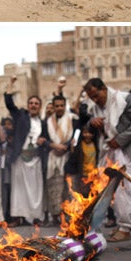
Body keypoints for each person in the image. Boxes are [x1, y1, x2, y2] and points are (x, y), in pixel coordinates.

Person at [83, 78, 131, 242]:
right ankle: (121, 224)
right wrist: (92, 122)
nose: (95, 100)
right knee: (110, 190)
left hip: (129, 151)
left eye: (96, 95)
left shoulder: (124, 99)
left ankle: (125, 228)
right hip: (110, 152)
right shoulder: (96, 108)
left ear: (104, 89)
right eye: (91, 97)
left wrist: (120, 140)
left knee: (124, 189)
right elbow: (89, 124)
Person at [4, 78, 48, 227]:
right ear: (28, 106)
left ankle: (35, 217)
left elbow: (47, 139)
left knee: (36, 190)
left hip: (36, 159)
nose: (33, 105)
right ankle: (17, 217)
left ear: (40, 106)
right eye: (31, 103)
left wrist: (43, 141)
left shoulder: (43, 123)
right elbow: (9, 104)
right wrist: (11, 85)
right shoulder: (21, 117)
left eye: (36, 103)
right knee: (19, 190)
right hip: (20, 159)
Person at [44, 95, 74, 227]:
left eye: (62, 105)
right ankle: (55, 216)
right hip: (53, 158)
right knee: (53, 188)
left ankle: (67, 216)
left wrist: (66, 146)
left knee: (67, 189)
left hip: (67, 157)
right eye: (57, 106)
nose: (59, 108)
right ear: (54, 107)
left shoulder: (73, 119)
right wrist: (53, 145)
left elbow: (76, 136)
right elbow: (43, 138)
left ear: (65, 105)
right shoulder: (48, 121)